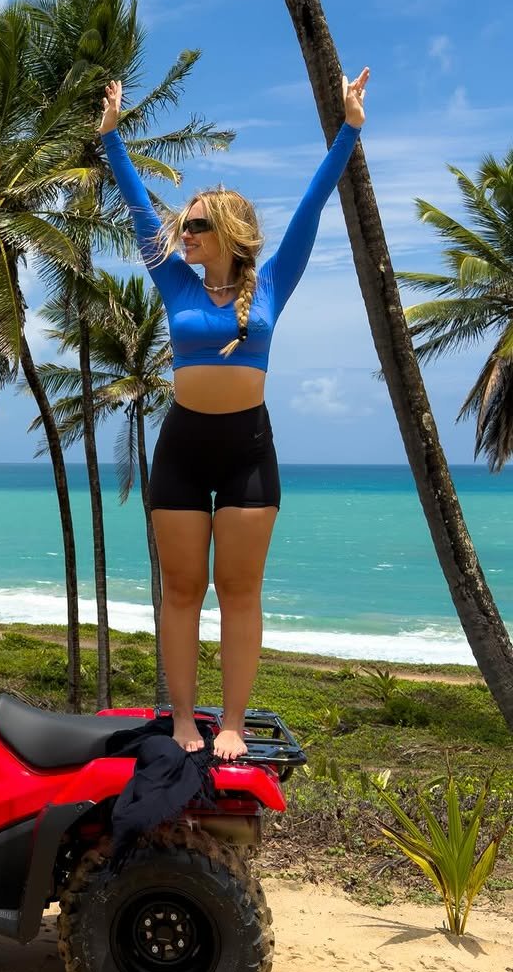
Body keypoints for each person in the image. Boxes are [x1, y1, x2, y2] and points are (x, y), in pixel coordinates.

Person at [97, 69, 369, 759]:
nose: (182, 233)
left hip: (248, 448)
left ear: (224, 233)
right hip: (183, 447)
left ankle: (233, 725)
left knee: (238, 593)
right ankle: (187, 718)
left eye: (194, 225)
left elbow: (310, 208)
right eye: (183, 224)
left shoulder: (274, 280)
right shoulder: (171, 279)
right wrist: (112, 141)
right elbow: (135, 208)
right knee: (183, 590)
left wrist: (348, 131)